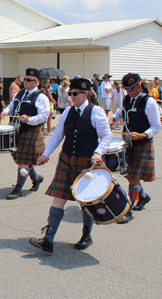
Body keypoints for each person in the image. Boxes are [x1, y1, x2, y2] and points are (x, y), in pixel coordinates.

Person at [29, 78, 112, 253]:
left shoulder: (96, 112)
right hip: (66, 160)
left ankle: (86, 235)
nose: (71, 96)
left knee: (87, 201)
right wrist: (45, 154)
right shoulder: (67, 112)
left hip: (86, 161)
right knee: (58, 199)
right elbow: (58, 135)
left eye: (75, 94)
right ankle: (48, 240)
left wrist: (98, 153)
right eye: (70, 93)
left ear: (85, 94)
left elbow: (106, 136)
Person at [109, 73, 161, 222]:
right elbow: (120, 112)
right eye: (126, 89)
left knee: (133, 178)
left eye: (131, 89)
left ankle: (130, 208)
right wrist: (112, 119)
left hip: (142, 144)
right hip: (128, 143)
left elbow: (157, 126)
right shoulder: (127, 99)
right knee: (127, 174)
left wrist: (143, 135)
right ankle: (143, 196)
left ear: (139, 85)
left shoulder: (149, 102)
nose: (128, 92)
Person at [1, 68, 49, 199]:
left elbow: (44, 115)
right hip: (17, 129)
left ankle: (18, 189)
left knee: (22, 161)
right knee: (21, 160)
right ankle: (36, 178)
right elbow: (12, 106)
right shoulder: (20, 93)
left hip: (31, 130)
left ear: (37, 82)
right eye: (25, 80)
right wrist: (6, 111)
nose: (25, 82)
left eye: (29, 80)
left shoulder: (41, 97)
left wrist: (30, 120)